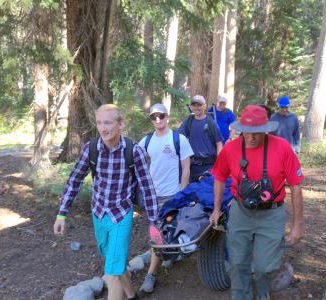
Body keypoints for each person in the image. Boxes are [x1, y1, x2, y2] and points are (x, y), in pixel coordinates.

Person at [53, 104, 161, 300]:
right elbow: (75, 180)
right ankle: (132, 296)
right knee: (117, 266)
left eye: (108, 123)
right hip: (99, 214)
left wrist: (154, 223)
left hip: (121, 215)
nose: (103, 128)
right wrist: (62, 213)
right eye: (100, 123)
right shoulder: (91, 149)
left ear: (121, 124)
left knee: (112, 270)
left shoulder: (134, 151)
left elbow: (147, 188)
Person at [209, 105, 304, 300]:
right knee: (237, 263)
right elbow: (219, 177)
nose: (251, 137)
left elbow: (295, 186)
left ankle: (262, 292)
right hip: (240, 211)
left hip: (271, 214)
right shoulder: (231, 149)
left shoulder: (282, 148)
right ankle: (240, 296)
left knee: (264, 266)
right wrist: (216, 209)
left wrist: (297, 225)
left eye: (256, 133)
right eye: (247, 132)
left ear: (266, 130)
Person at [138, 103, 194, 293]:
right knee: (156, 234)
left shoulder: (179, 139)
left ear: (167, 116)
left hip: (173, 195)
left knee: (169, 231)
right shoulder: (145, 142)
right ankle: (152, 274)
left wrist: (182, 191)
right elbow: (137, 164)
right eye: (153, 117)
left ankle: (169, 257)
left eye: (161, 115)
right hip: (153, 197)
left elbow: (186, 167)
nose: (157, 120)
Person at [179, 95, 223, 181]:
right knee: (193, 191)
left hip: (209, 166)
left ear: (204, 106)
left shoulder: (211, 122)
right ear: (191, 107)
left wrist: (220, 163)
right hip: (192, 165)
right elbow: (179, 137)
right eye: (194, 105)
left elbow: (219, 143)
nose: (196, 108)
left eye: (199, 105)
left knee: (207, 191)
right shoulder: (188, 121)